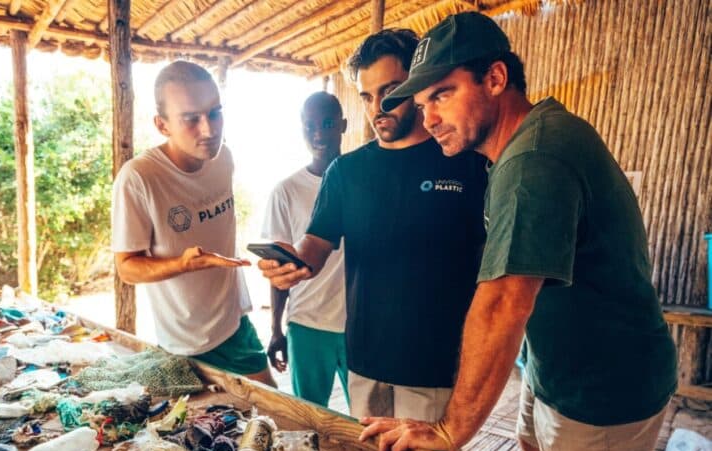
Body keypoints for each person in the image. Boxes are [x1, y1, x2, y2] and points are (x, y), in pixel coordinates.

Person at [361, 12, 676, 451]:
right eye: (422, 105)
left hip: (602, 394)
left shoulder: (534, 160)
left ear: (495, 78)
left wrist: (449, 429)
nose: (429, 118)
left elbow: (505, 302)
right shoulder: (528, 141)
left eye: (441, 94)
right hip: (554, 366)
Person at [259, 29, 487, 421]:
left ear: (417, 85)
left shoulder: (464, 162)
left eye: (391, 90)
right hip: (364, 363)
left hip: (434, 368)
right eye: (366, 96)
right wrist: (291, 264)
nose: (378, 106)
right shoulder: (347, 171)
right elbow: (316, 243)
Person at [112, 61, 274, 386]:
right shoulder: (139, 178)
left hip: (234, 325)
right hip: (184, 345)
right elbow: (127, 268)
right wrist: (183, 264)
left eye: (215, 112)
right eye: (191, 119)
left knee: (280, 416)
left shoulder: (223, 158)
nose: (209, 130)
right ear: (162, 125)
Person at [261, 92, 350, 408]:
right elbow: (279, 268)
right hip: (307, 326)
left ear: (343, 125)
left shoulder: (361, 180)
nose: (318, 134)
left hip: (358, 326)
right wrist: (275, 330)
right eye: (309, 126)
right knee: (308, 419)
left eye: (327, 124)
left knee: (369, 421)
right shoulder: (286, 191)